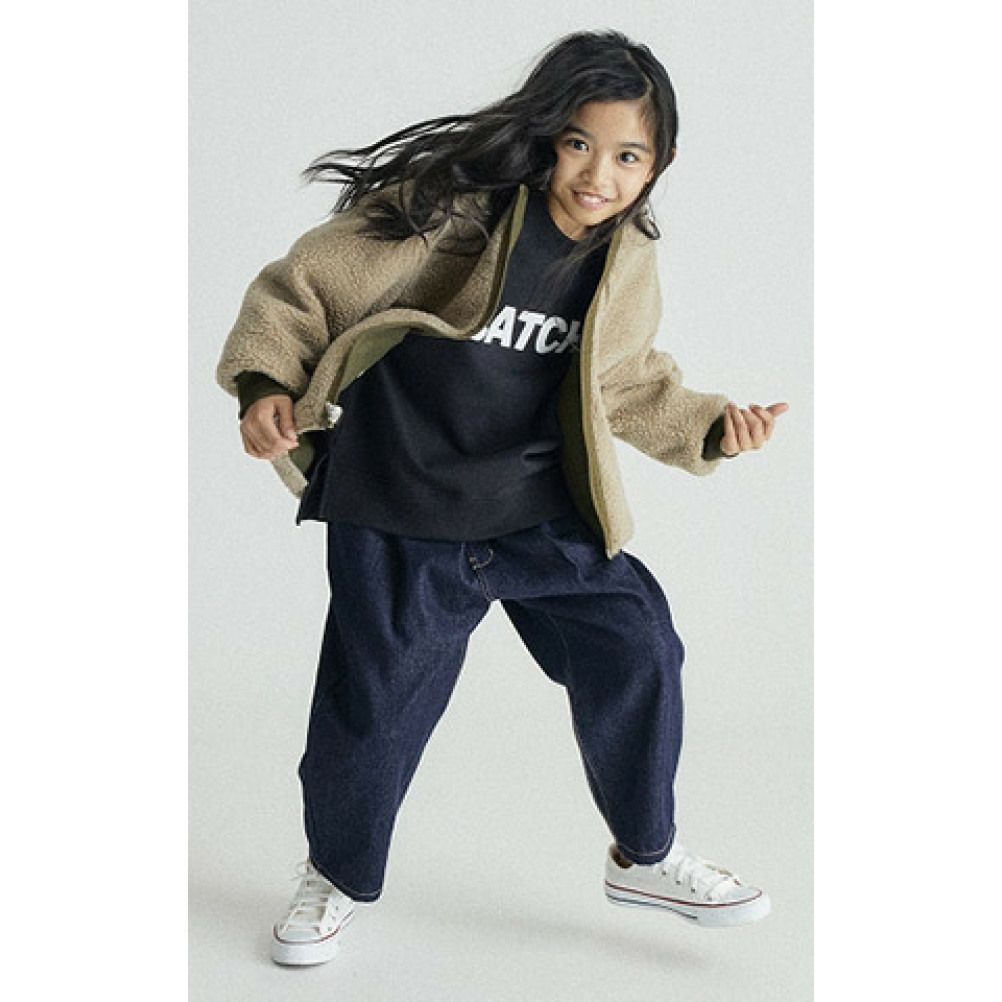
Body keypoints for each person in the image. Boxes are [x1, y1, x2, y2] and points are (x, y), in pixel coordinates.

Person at [216, 28, 789, 967]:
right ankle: (337, 874)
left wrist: (713, 427)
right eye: (579, 144)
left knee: (638, 640)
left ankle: (644, 855)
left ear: (660, 163)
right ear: (545, 135)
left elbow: (624, 378)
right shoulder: (448, 214)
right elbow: (304, 286)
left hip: (533, 512)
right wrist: (263, 384)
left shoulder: (625, 256)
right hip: (401, 504)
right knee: (374, 709)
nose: (598, 174)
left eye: (628, 155)